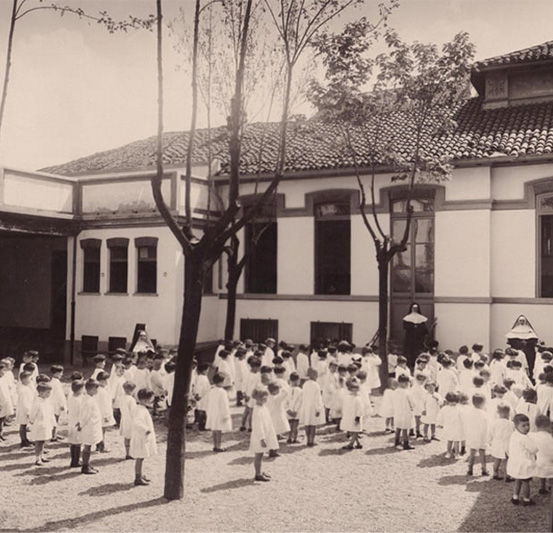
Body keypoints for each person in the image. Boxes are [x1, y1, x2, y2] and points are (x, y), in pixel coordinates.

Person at [508, 413, 538, 506]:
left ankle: (515, 497)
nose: (527, 427)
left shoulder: (514, 435)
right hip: (524, 463)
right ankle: (526, 499)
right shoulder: (524, 438)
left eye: (528, 425)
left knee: (518, 480)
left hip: (516, 463)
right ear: (516, 426)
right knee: (526, 482)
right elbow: (534, 449)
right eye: (523, 425)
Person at [250, 387, 278, 482]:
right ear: (258, 398)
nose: (266, 398)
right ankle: (257, 474)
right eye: (264, 397)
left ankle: (260, 471)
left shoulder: (263, 407)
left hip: (266, 433)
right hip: (259, 436)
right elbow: (257, 426)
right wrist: (261, 438)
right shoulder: (257, 410)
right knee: (258, 454)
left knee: (262, 454)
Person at [130, 388, 157, 486]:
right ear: (145, 400)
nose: (152, 402)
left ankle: (140, 474)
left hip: (142, 437)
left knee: (142, 457)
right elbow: (137, 422)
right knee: (140, 457)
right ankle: (137, 478)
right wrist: (146, 429)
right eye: (151, 400)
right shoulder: (141, 410)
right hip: (141, 438)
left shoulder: (140, 408)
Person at [78, 379, 103, 474]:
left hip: (92, 426)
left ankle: (87, 463)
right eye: (97, 389)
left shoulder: (91, 398)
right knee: (87, 446)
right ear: (92, 389)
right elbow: (85, 416)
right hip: (88, 427)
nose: (98, 391)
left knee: (89, 446)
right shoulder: (88, 400)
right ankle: (85, 467)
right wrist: (81, 425)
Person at [28, 382, 55, 466]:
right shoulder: (37, 403)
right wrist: (31, 422)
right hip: (39, 425)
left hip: (46, 424)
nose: (49, 394)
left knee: (43, 441)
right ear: (41, 393)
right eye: (47, 392)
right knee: (39, 442)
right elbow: (32, 414)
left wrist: (53, 422)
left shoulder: (47, 401)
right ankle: (37, 458)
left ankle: (42, 455)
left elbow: (51, 412)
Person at [463, 393, 490, 476]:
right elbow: (487, 425)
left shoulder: (469, 412)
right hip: (482, 435)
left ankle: (470, 469)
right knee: (482, 452)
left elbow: (466, 423)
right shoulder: (484, 414)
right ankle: (484, 469)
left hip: (472, 435)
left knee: (472, 452)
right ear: (483, 403)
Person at [206, 373, 232, 452]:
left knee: (214, 430)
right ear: (221, 382)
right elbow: (224, 404)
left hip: (213, 412)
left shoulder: (212, 390)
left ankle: (215, 445)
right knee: (219, 431)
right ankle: (218, 446)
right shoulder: (222, 392)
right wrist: (226, 414)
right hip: (220, 412)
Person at [299, 367, 324, 447]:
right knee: (313, 424)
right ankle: (311, 440)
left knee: (307, 423)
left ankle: (307, 439)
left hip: (306, 406)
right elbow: (317, 398)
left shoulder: (305, 384)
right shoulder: (316, 385)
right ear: (313, 375)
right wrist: (318, 408)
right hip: (313, 407)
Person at [489, 403, 515, 481]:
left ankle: (495, 473)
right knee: (506, 459)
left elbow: (491, 433)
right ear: (508, 413)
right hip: (507, 442)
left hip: (497, 442)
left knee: (497, 459)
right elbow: (513, 433)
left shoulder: (495, 422)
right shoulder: (511, 423)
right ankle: (507, 475)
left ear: (498, 413)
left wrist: (490, 441)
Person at [437, 392, 463, 459]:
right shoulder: (447, 408)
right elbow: (441, 416)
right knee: (451, 441)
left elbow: (462, 417)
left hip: (455, 426)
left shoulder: (458, 409)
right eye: (451, 401)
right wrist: (440, 423)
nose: (453, 403)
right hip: (451, 427)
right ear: (448, 401)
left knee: (454, 441)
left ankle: (454, 453)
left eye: (454, 401)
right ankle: (451, 453)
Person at [392, 374, 415, 450]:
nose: (406, 384)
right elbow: (413, 402)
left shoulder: (395, 391)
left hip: (398, 412)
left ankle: (397, 441)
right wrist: (412, 407)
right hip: (405, 412)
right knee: (405, 428)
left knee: (398, 427)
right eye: (406, 383)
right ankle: (406, 443)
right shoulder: (407, 392)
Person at [531, 415, 553, 494]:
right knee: (551, 475)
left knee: (542, 475)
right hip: (549, 461)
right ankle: (551, 486)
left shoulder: (534, 436)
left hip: (540, 460)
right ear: (546, 426)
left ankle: (542, 487)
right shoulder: (549, 437)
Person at [266, 381, 289, 457]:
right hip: (276, 419)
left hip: (270, 418)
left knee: (271, 436)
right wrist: (282, 386)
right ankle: (273, 451)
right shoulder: (277, 399)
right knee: (274, 437)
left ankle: (271, 451)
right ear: (274, 391)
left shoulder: (267, 397)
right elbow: (286, 392)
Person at [340, 378, 364, 450]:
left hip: (356, 416)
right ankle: (358, 443)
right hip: (349, 415)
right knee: (353, 429)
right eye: (352, 389)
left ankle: (351, 444)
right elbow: (344, 407)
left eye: (356, 389)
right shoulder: (347, 397)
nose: (354, 391)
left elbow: (360, 409)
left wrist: (358, 417)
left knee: (355, 430)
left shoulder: (358, 399)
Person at [402, 303, 428, 368]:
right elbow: (405, 327)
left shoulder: (421, 317)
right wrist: (413, 326)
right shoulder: (407, 318)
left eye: (416, 308)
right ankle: (410, 363)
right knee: (410, 351)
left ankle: (418, 363)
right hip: (410, 337)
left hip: (419, 338)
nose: (415, 309)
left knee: (418, 350)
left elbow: (424, 328)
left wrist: (419, 328)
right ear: (411, 309)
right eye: (414, 308)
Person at [67, 380, 85, 468]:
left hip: (71, 422)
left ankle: (74, 460)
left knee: (73, 442)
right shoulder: (78, 400)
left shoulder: (71, 398)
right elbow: (80, 413)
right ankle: (76, 461)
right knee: (78, 442)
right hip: (77, 423)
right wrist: (81, 423)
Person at [15, 371, 35, 448]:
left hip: (27, 408)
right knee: (23, 425)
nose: (31, 380)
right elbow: (24, 402)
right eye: (29, 378)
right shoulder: (22, 390)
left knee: (25, 424)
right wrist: (27, 411)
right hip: (24, 410)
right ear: (24, 379)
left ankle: (26, 439)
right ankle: (23, 441)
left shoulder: (27, 387)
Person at [120, 381, 137, 460]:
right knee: (132, 437)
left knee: (127, 437)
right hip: (131, 420)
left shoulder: (122, 398)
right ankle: (131, 453)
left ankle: (127, 453)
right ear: (132, 390)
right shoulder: (131, 400)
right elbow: (133, 411)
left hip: (124, 419)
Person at [286, 372, 303, 444]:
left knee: (290, 425)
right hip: (296, 411)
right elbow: (299, 401)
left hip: (289, 410)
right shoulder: (300, 391)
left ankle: (289, 437)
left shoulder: (287, 389)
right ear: (297, 380)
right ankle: (295, 438)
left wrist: (287, 410)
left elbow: (285, 401)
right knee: (295, 425)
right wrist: (295, 411)